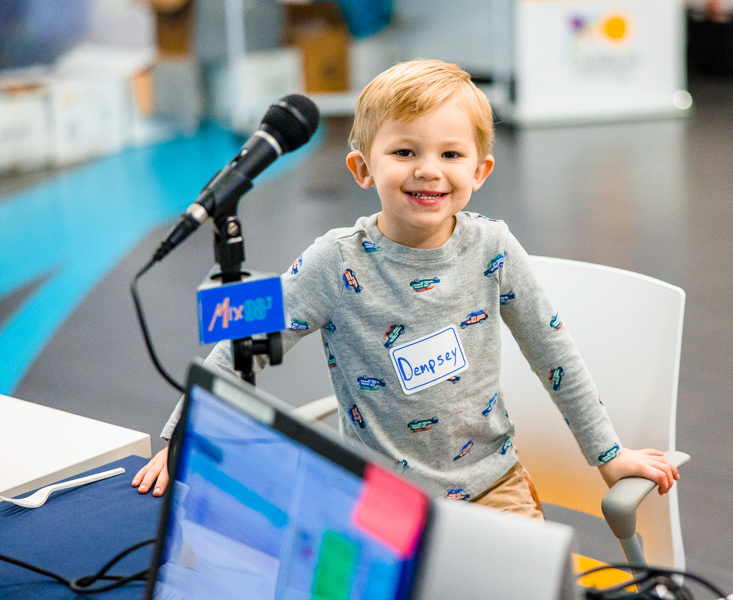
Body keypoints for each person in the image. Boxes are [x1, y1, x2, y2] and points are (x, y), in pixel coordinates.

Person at [133, 59, 678, 518]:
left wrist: (608, 455)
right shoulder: (332, 263)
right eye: (404, 152)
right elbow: (241, 338)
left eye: (451, 154)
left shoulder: (493, 249)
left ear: (480, 169)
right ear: (362, 167)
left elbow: (554, 352)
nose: (428, 171)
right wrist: (184, 435)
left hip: (494, 489)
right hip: (378, 502)